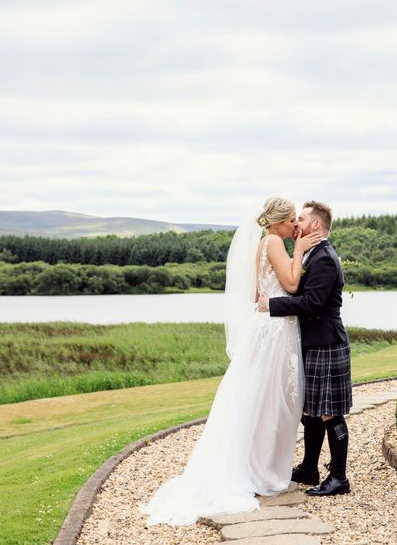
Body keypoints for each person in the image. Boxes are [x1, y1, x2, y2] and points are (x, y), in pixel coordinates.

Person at [139, 197, 321, 525]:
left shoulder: (263, 243)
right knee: (272, 402)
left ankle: (256, 466)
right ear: (277, 222)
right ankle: (262, 472)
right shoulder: (276, 243)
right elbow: (293, 284)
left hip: (266, 326)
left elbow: (255, 295)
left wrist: (275, 291)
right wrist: (298, 251)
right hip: (276, 331)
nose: (296, 224)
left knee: (258, 399)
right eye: (292, 219)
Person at [257, 200, 352, 497]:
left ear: (315, 225)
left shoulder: (325, 258)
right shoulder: (312, 252)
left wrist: (271, 305)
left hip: (327, 343)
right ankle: (310, 468)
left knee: (329, 413)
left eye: (301, 218)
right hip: (311, 342)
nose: (296, 222)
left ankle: (339, 477)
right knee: (310, 411)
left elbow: (311, 304)